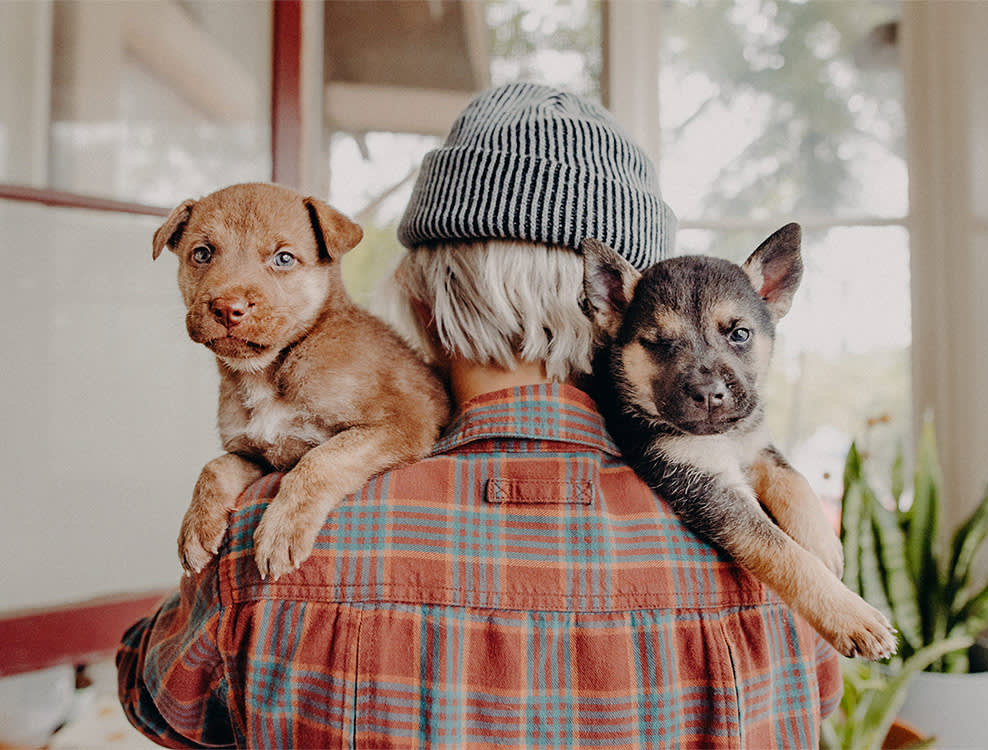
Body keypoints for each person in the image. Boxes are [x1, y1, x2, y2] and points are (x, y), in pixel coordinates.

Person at [117, 82, 841, 749]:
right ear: (622, 322)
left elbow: (155, 699)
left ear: (424, 307)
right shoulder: (786, 563)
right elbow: (820, 697)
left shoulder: (269, 534)